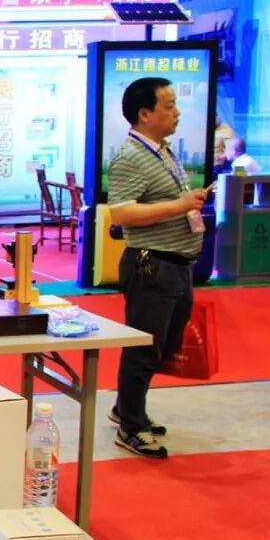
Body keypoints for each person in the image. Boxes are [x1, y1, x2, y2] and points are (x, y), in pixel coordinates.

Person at [108, 77, 208, 459]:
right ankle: (131, 427)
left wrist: (188, 201)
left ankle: (127, 408)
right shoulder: (130, 156)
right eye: (168, 106)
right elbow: (122, 213)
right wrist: (180, 205)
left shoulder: (162, 151)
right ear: (144, 113)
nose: (176, 112)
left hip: (176, 262)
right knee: (144, 349)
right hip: (152, 264)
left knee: (161, 345)